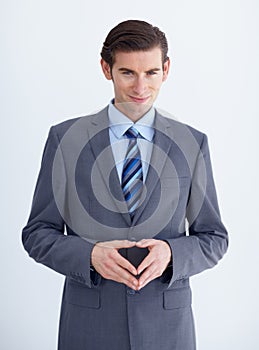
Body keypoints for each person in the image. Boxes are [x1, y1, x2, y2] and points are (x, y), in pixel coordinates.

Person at [22, 19, 228, 350]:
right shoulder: (65, 139)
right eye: (127, 73)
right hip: (89, 325)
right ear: (106, 69)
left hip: (167, 327)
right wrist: (88, 255)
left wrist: (171, 253)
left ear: (166, 69)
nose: (140, 87)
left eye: (151, 73)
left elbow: (214, 237)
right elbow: (37, 233)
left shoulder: (193, 143)